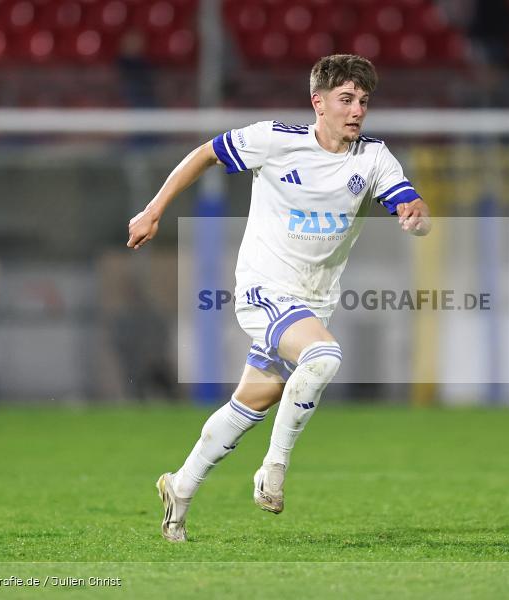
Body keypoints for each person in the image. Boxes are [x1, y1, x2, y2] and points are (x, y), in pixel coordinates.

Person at [126, 54, 431, 542]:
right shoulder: (275, 140)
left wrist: (414, 213)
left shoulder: (372, 157)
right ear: (319, 103)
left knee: (253, 400)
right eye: (346, 100)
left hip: (314, 300)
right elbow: (205, 153)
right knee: (325, 356)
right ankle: (273, 468)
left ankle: (179, 488)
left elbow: (403, 197)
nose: (357, 111)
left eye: (364, 102)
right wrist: (153, 209)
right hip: (264, 288)